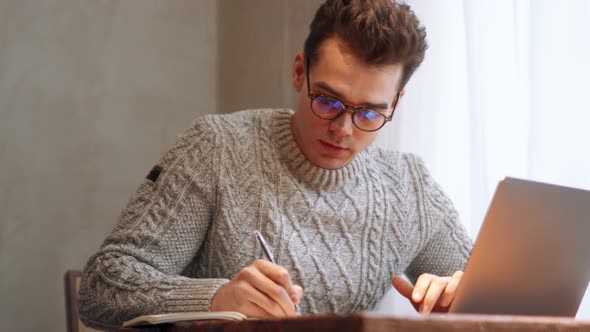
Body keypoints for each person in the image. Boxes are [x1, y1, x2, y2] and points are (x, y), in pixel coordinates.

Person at [79, 0, 473, 329]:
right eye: (328, 101)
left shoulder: (408, 186)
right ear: (300, 73)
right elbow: (101, 286)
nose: (342, 129)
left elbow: (495, 297)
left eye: (369, 114)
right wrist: (215, 298)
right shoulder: (216, 148)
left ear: (396, 104)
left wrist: (464, 305)